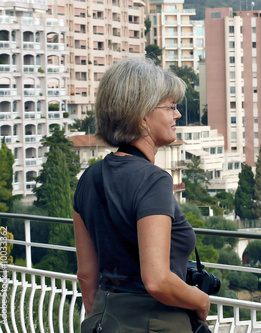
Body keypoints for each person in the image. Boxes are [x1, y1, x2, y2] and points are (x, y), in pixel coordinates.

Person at [73, 57, 210, 332]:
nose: (178, 114)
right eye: (171, 106)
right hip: (155, 323)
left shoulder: (89, 178)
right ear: (142, 116)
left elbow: (86, 275)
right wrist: (201, 300)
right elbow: (157, 280)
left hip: (101, 321)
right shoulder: (154, 180)